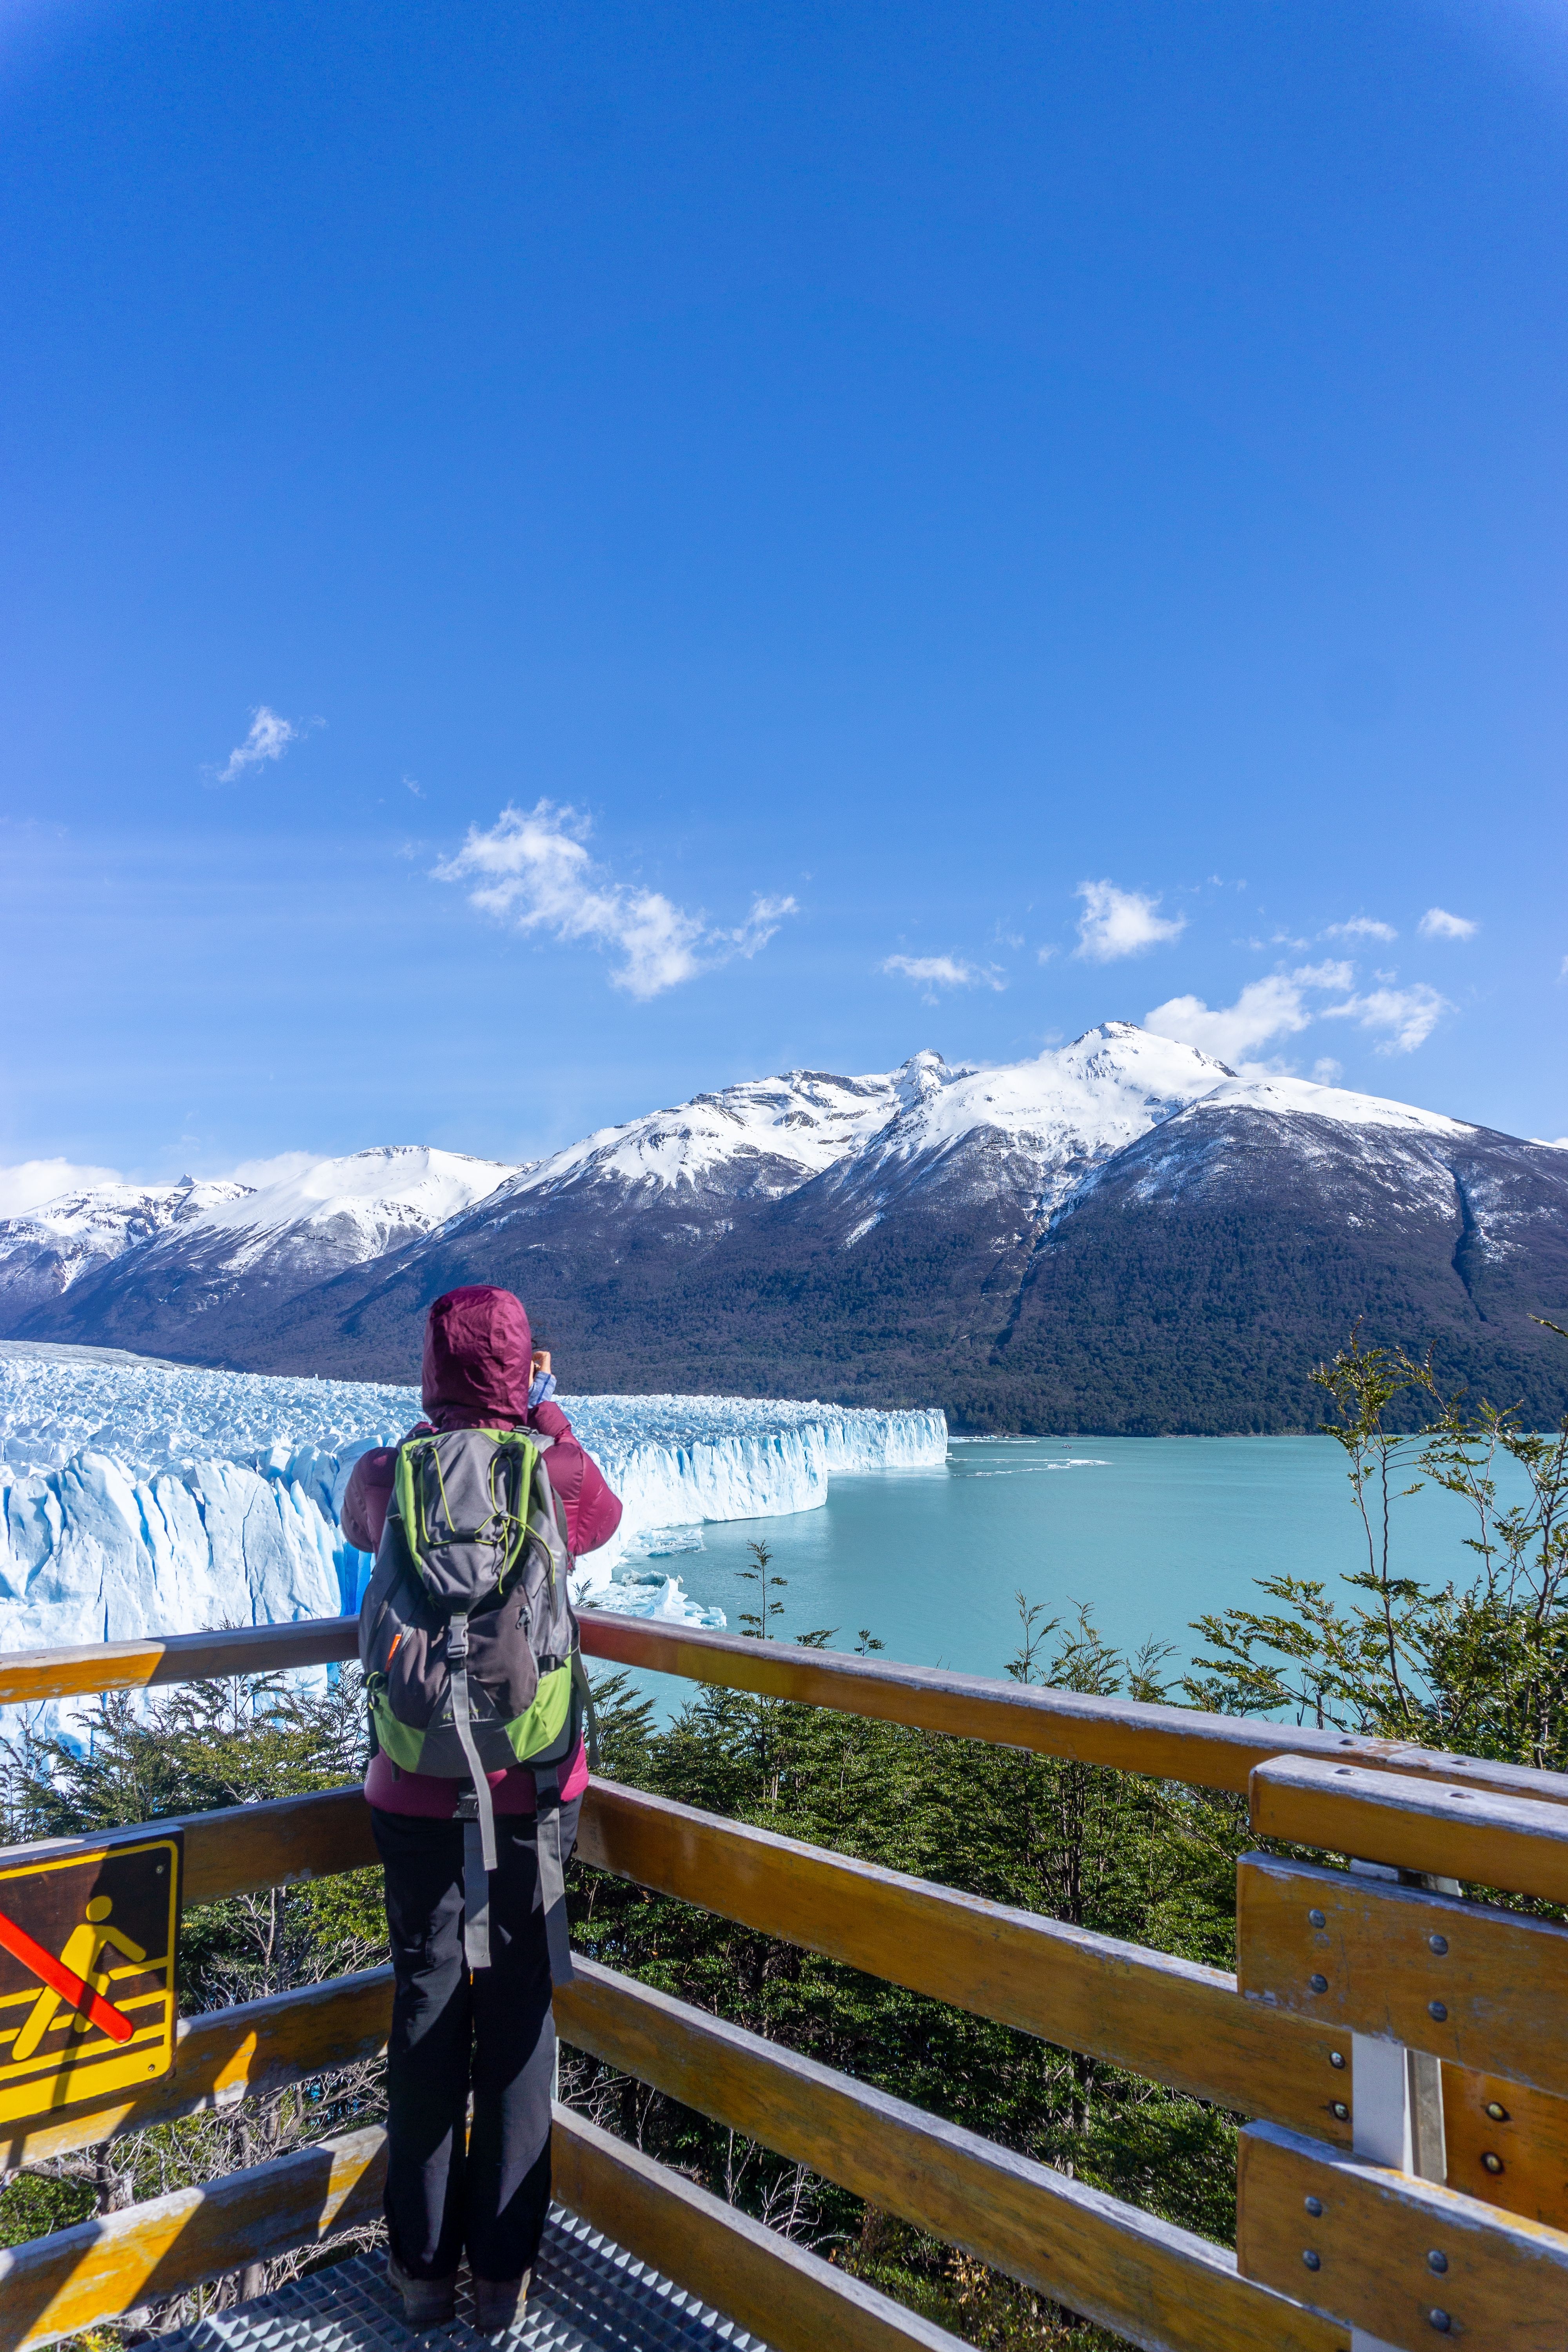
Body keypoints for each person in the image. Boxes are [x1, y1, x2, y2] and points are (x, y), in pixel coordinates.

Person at [342, 1285, 622, 2336]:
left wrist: (434, 1434)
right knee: (516, 2031)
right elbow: (601, 1517)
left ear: (432, 1369)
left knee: (424, 2019)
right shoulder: (554, 1474)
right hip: (531, 1801)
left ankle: (420, 2274)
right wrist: (546, 1413)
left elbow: (357, 1517)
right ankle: (501, 2283)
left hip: (412, 1795)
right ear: (521, 1368)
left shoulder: (390, 1475)